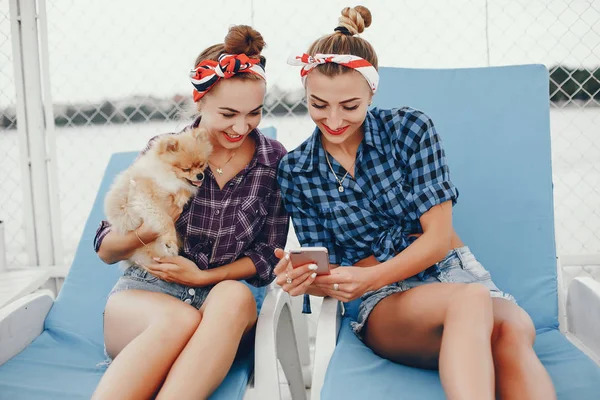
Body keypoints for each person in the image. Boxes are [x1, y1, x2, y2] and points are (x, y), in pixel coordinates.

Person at [274, 6, 556, 400]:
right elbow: (331, 269)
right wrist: (303, 280)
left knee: (510, 330)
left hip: (455, 273)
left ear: (373, 91)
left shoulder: (409, 130)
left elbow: (437, 241)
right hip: (385, 301)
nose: (333, 120)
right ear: (305, 94)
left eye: (350, 106)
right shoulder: (296, 170)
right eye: (318, 104)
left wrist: (366, 275)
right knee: (474, 304)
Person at [92, 25, 288, 400]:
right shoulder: (165, 150)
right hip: (147, 295)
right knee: (178, 319)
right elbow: (105, 247)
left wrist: (204, 277)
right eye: (228, 113)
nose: (241, 126)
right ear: (199, 102)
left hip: (220, 299)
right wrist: (155, 226)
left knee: (233, 295)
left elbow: (267, 256)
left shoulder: (274, 161)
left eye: (254, 114)